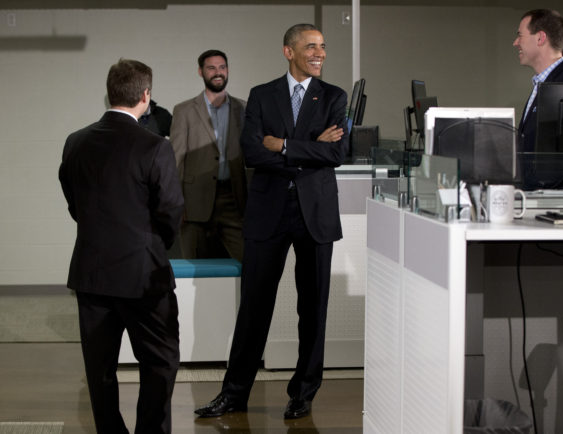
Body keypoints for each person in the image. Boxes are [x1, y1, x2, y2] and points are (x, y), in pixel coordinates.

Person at [194, 23, 348, 420]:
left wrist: (281, 145)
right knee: (254, 306)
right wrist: (310, 148)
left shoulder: (334, 96)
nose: (320, 53)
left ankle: (303, 392)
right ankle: (233, 393)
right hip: (268, 213)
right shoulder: (262, 96)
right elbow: (251, 153)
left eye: (323, 46)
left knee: (312, 308)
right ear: (288, 51)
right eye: (311, 46)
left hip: (315, 214)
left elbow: (337, 154)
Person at [58, 59, 184, 434]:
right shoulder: (155, 147)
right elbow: (171, 210)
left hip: (92, 274)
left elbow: (73, 202)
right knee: (159, 364)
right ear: (145, 96)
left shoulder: (75, 142)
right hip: (144, 275)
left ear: (110, 93)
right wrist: (154, 244)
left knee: (100, 372)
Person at [170, 49, 247, 262]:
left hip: (233, 199)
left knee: (248, 263)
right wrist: (177, 202)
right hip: (194, 203)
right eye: (211, 68)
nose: (218, 72)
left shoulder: (243, 108)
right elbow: (176, 159)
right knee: (196, 268)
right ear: (200, 72)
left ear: (228, 70)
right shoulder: (183, 110)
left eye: (222, 67)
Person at [513, 9, 563, 189]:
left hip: (552, 203)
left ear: (540, 38)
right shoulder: (544, 82)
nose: (515, 43)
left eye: (520, 36)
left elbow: (561, 162)